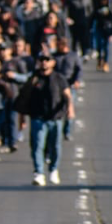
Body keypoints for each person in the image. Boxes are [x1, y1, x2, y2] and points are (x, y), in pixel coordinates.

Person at [15, 52, 71, 187]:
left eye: (47, 60)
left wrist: (70, 110)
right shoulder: (33, 79)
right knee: (37, 146)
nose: (44, 63)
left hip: (55, 117)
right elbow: (23, 99)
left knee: (55, 146)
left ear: (53, 62)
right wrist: (22, 118)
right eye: (41, 60)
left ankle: (53, 169)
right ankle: (39, 172)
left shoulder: (59, 78)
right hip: (38, 118)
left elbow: (67, 95)